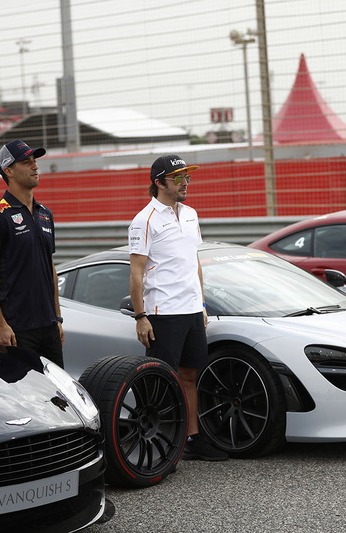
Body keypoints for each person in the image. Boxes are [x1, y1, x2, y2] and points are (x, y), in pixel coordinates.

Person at [129, 154, 228, 462]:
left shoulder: (190, 214)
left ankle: (191, 440)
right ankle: (158, 444)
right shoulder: (144, 220)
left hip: (190, 310)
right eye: (179, 178)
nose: (186, 183)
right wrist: (141, 316)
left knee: (189, 376)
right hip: (162, 313)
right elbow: (135, 273)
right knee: (160, 381)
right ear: (159, 183)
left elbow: (193, 262)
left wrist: (201, 304)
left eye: (187, 176)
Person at [0, 140, 65, 368]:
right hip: (16, 329)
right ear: (9, 171)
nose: (35, 167)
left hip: (49, 327)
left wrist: (57, 318)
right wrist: (0, 325)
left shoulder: (45, 214)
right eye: (26, 162)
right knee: (21, 400)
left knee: (57, 397)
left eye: (35, 161)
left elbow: (50, 267)